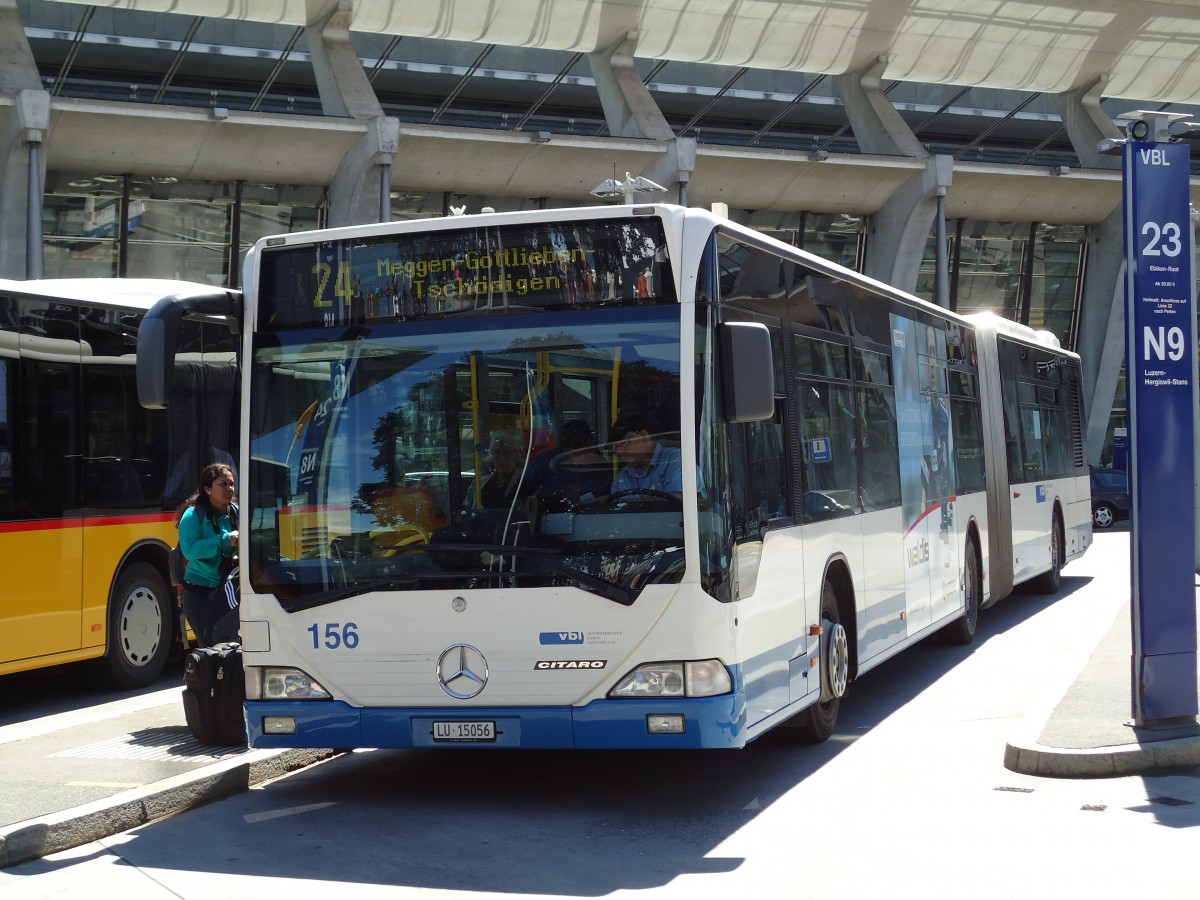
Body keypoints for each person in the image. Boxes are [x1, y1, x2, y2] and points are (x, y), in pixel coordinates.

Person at [178, 463, 239, 647]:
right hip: (199, 594)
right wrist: (225, 540)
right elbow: (189, 550)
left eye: (231, 484)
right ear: (207, 489)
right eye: (223, 484)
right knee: (210, 648)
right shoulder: (193, 515)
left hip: (228, 591)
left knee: (232, 646)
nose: (229, 488)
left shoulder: (237, 512)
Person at [535, 419, 612, 505]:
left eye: (587, 452)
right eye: (576, 454)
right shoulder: (549, 461)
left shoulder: (604, 466)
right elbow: (526, 487)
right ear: (566, 451)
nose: (583, 460)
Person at [610, 412, 686, 497]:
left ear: (643, 435)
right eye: (616, 449)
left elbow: (678, 503)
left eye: (625, 444)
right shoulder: (624, 475)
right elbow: (615, 505)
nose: (620, 452)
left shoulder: (675, 459)